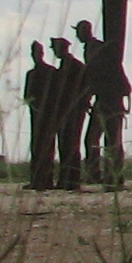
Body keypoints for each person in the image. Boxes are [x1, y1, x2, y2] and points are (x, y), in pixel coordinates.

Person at [74, 18, 130, 187]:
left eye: (79, 32)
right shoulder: (90, 49)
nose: (78, 35)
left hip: (109, 99)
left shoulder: (96, 49)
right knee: (96, 138)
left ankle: (112, 176)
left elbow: (97, 74)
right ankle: (98, 174)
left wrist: (88, 94)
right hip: (103, 98)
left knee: (110, 139)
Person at [49, 37, 89, 190]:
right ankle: (66, 179)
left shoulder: (75, 66)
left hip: (73, 110)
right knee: (65, 144)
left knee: (71, 144)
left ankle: (72, 180)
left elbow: (84, 87)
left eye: (55, 48)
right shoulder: (65, 66)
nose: (54, 51)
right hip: (64, 110)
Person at [22, 40, 56, 190]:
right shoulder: (31, 74)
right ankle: (36, 179)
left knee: (47, 146)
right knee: (36, 146)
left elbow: (56, 94)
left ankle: (46, 179)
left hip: (48, 115)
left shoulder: (50, 72)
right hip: (36, 115)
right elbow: (27, 96)